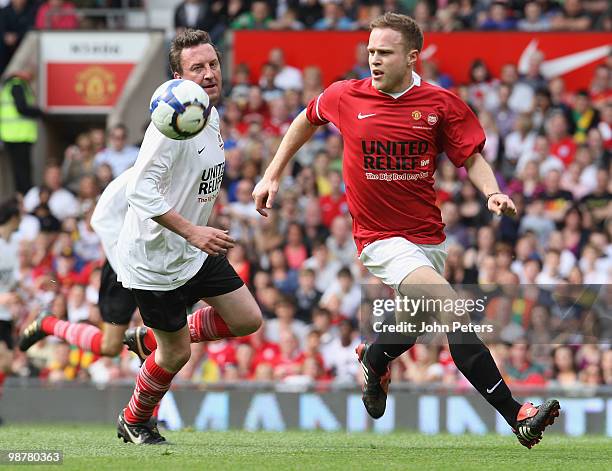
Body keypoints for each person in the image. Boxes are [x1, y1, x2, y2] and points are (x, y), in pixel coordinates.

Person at [253, 12, 559, 449]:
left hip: (427, 237)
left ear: (412, 57)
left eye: (385, 52)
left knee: (411, 326)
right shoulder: (346, 95)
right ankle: (517, 415)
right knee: (452, 308)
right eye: (371, 51)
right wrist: (271, 174)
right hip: (379, 238)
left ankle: (375, 358)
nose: (374, 60)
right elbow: (305, 119)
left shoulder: (441, 104)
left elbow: (471, 158)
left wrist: (492, 192)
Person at [114, 29, 262, 445]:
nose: (210, 73)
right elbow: (138, 191)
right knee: (177, 354)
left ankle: (150, 337)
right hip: (155, 259)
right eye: (198, 68)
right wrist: (193, 230)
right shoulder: (170, 126)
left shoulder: (207, 114)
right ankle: (135, 418)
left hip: (194, 250)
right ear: (177, 76)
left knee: (247, 319)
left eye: (213, 64)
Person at [0, 69, 42, 194]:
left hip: (14, 136)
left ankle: (23, 195)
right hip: (18, 136)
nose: (31, 76)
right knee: (23, 173)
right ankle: (25, 197)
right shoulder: (17, 85)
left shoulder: (12, 85)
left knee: (21, 171)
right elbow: (22, 108)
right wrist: (39, 112)